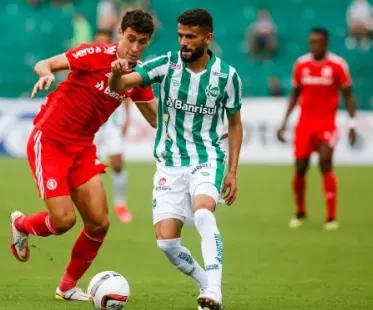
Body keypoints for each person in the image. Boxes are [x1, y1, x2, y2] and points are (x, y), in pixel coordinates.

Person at [8, 9, 157, 302]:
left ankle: (66, 287)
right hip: (49, 140)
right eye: (131, 39)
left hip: (82, 147)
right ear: (119, 34)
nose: (135, 47)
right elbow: (44, 63)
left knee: (99, 223)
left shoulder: (138, 76)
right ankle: (21, 225)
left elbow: (155, 119)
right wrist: (48, 72)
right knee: (63, 221)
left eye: (142, 42)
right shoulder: (95, 53)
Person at [109, 8, 243, 310]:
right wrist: (117, 73)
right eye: (181, 35)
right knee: (167, 242)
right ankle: (204, 283)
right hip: (169, 163)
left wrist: (232, 171)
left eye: (191, 37)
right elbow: (120, 86)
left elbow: (235, 124)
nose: (184, 42)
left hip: (207, 158)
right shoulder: (166, 64)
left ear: (207, 39)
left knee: (205, 213)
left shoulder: (227, 76)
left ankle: (216, 291)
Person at [277, 27, 357, 231]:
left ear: (326, 43)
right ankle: (300, 211)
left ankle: (331, 217)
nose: (315, 45)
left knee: (325, 162)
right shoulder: (301, 64)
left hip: (326, 123)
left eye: (319, 41)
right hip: (305, 124)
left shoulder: (338, 65)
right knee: (301, 167)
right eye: (312, 41)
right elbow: (295, 95)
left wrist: (352, 124)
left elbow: (348, 95)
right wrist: (284, 122)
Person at [92, 28, 134, 223]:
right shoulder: (88, 63)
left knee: (117, 162)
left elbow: (126, 92)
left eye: (105, 42)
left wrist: (126, 117)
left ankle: (120, 202)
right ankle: (93, 207)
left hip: (112, 122)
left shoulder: (120, 65)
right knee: (90, 168)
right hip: (92, 121)